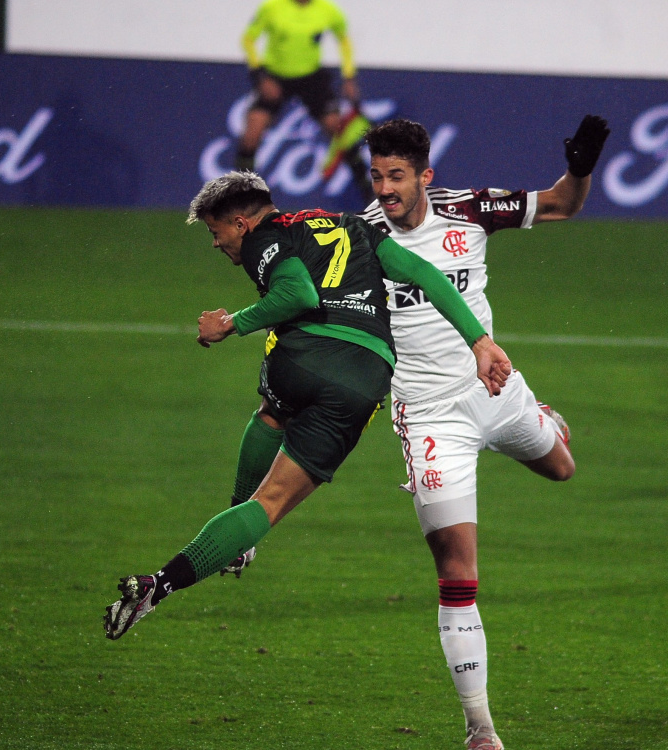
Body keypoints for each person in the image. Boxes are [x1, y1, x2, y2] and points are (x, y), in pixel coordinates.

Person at [103, 172, 513, 658]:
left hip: (305, 356)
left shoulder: (266, 238)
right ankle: (209, 552)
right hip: (364, 375)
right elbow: (425, 274)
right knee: (272, 502)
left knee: (272, 414)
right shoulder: (353, 225)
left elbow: (298, 295)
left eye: (217, 233)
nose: (217, 244)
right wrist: (479, 341)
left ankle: (168, 578)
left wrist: (229, 324)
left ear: (240, 222)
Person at [351, 115, 610, 750]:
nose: (385, 188)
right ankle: (481, 731)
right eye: (377, 175)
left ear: (425, 177)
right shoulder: (360, 241)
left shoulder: (470, 210)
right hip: (430, 416)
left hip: (495, 387)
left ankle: (540, 417)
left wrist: (579, 169)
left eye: (397, 176)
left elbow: (561, 206)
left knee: (562, 468)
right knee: (457, 572)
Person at [235, 0, 372, 202]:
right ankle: (241, 194)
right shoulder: (272, 7)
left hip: (311, 78)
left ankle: (367, 190)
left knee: (339, 129)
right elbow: (248, 39)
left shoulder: (328, 11)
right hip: (275, 77)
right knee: (252, 132)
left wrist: (349, 76)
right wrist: (260, 77)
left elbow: (343, 39)